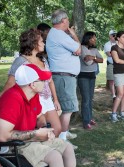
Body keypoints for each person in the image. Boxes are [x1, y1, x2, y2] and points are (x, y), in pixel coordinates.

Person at [0, 64, 76, 167]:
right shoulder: (13, 99)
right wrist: (35, 134)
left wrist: (42, 127)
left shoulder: (33, 95)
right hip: (11, 145)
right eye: (42, 80)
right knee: (55, 157)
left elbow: (39, 116)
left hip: (28, 138)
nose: (46, 82)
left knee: (67, 146)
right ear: (32, 84)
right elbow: (2, 135)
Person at [0, 29, 62, 137]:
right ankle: (38, 151)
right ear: (34, 43)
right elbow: (10, 83)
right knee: (39, 130)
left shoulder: (43, 59)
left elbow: (50, 81)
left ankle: (48, 148)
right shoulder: (21, 60)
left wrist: (55, 99)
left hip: (47, 100)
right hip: (31, 98)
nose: (44, 43)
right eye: (42, 41)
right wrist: (2, 96)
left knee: (57, 129)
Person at [46, 9, 81, 142]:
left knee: (65, 109)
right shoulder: (59, 35)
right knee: (67, 109)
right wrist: (73, 34)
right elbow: (79, 50)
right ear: (63, 21)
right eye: (67, 19)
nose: (68, 21)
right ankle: (62, 141)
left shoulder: (56, 34)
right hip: (64, 77)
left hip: (63, 77)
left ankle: (61, 137)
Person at [78, 31, 103, 130]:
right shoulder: (82, 48)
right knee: (86, 99)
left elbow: (102, 60)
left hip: (92, 76)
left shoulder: (94, 49)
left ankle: (89, 118)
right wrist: (95, 60)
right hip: (83, 76)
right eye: (93, 38)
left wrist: (92, 58)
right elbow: (87, 62)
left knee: (90, 98)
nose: (95, 39)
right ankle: (85, 121)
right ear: (88, 38)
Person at [104, 30, 117, 101]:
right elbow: (109, 54)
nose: (114, 36)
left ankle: (119, 94)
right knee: (111, 80)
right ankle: (114, 95)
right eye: (113, 35)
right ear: (110, 36)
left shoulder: (119, 43)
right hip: (111, 64)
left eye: (115, 35)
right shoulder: (107, 44)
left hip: (119, 65)